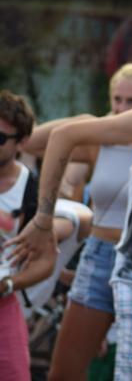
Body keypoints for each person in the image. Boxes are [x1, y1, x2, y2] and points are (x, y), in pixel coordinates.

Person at [10, 62, 132, 380]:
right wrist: (84, 123)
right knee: (64, 371)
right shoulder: (100, 139)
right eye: (117, 99)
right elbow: (29, 141)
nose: (121, 108)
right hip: (100, 255)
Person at [0, 90, 56, 381]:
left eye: (0, 138)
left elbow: (47, 259)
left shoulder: (32, 189)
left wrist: (9, 283)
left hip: (4, 305)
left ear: (21, 142)